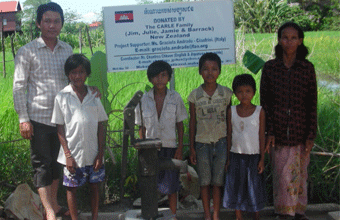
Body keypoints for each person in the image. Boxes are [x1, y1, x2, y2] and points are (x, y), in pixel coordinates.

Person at [13, 2, 99, 219]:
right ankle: (50, 211)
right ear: (38, 23)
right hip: (39, 117)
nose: (52, 25)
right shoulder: (26, 51)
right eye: (47, 21)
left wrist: (88, 88)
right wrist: (24, 118)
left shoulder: (67, 49)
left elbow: (73, 78)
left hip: (64, 118)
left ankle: (52, 204)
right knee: (42, 165)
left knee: (59, 163)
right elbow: (18, 87)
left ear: (62, 23)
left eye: (56, 21)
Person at [260, 22, 317, 220]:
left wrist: (311, 134)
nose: (289, 41)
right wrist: (269, 131)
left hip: (301, 132)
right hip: (278, 133)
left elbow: (312, 103)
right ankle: (284, 213)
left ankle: (299, 212)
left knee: (300, 175)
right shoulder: (270, 68)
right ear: (279, 40)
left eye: (294, 38)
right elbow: (264, 103)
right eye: (285, 37)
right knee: (282, 175)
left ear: (300, 41)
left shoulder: (307, 68)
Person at [51, 54, 108, 220]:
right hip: (73, 155)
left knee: (95, 187)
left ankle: (95, 217)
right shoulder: (62, 97)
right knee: (72, 189)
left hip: (93, 153)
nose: (77, 76)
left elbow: (100, 125)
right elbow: (59, 128)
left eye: (81, 71)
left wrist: (100, 154)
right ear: (68, 74)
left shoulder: (94, 96)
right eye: (73, 72)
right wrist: (68, 156)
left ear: (87, 73)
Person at [135, 60, 188, 218]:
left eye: (163, 75)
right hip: (150, 148)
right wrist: (143, 147)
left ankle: (172, 215)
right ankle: (152, 215)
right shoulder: (144, 99)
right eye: (155, 76)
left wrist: (179, 148)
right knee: (150, 185)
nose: (159, 79)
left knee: (171, 185)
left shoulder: (175, 98)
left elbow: (180, 124)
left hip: (170, 146)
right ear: (150, 79)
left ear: (169, 78)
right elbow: (141, 128)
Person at [188, 52, 233, 220]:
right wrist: (191, 147)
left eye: (214, 69)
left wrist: (229, 146)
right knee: (204, 182)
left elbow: (230, 122)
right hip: (201, 144)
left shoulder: (227, 94)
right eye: (205, 69)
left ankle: (216, 215)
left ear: (219, 71)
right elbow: (192, 122)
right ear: (200, 72)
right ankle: (207, 215)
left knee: (218, 182)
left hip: (221, 142)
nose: (210, 72)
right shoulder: (194, 96)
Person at [223, 74, 266, 220]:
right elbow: (229, 134)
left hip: (254, 156)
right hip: (236, 155)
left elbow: (261, 136)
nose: (244, 95)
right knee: (237, 186)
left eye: (248, 91)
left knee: (254, 187)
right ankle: (238, 216)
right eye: (240, 91)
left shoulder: (260, 111)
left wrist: (262, 159)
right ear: (235, 93)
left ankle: (256, 215)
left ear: (254, 92)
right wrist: (228, 158)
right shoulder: (232, 111)